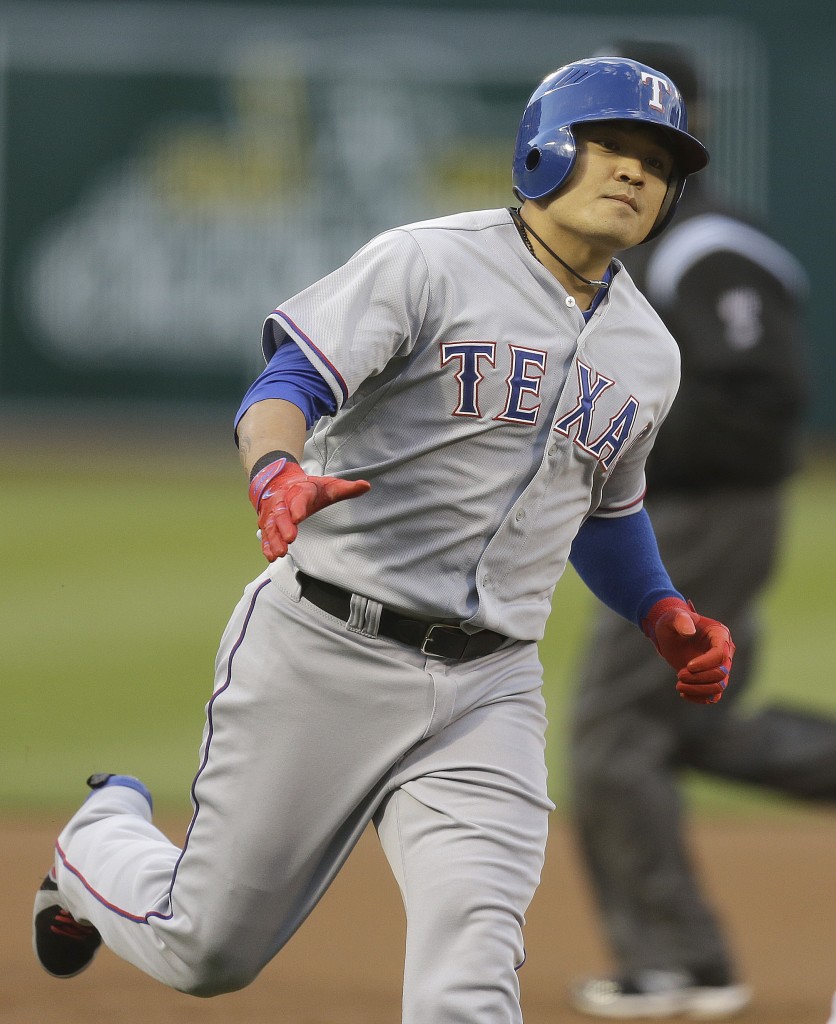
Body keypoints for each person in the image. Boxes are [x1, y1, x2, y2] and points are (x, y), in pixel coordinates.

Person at [32, 56, 736, 1023]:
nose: (633, 172)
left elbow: (605, 512)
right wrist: (276, 472)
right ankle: (97, 840)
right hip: (325, 650)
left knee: (470, 975)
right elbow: (285, 387)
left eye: (658, 162)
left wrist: (662, 611)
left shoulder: (649, 353)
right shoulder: (429, 262)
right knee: (204, 952)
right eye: (611, 144)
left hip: (488, 693)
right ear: (544, 149)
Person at [566, 44, 836, 1021]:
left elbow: (765, 395)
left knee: (610, 734)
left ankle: (677, 963)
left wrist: (622, 447)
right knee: (690, 725)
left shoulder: (705, 245)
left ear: (694, 131)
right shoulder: (643, 239)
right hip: (690, 506)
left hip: (707, 512)